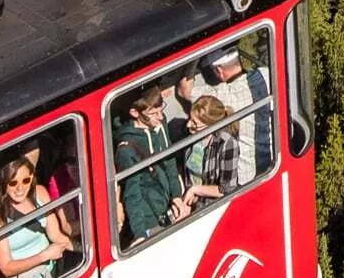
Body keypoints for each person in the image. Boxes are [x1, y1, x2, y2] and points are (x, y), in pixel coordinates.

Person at [0, 152, 74, 278]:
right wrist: (43, 256)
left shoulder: (40, 193)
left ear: (32, 177)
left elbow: (56, 235)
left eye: (25, 180)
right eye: (13, 183)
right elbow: (6, 267)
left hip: (53, 271)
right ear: (3, 184)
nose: (20, 188)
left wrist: (79, 250)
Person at [179, 44, 275, 176]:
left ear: (218, 70)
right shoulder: (266, 74)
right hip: (274, 160)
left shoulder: (225, 95)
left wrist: (195, 54)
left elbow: (184, 90)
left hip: (247, 173)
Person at [116, 83, 188, 243]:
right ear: (134, 112)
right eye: (153, 113)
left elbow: (169, 161)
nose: (161, 117)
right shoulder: (126, 150)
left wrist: (176, 195)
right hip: (148, 215)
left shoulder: (159, 124)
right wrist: (140, 232)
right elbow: (132, 194)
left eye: (161, 109)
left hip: (167, 201)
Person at [187, 93, 246, 192]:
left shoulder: (227, 144)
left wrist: (194, 190)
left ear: (210, 126)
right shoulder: (192, 136)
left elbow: (227, 188)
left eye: (195, 123)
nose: (188, 124)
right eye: (190, 119)